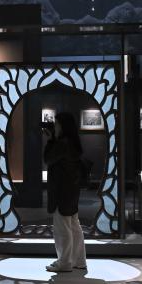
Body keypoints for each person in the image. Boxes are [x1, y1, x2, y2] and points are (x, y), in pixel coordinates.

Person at [43, 111, 87, 273]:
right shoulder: (73, 142)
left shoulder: (62, 144)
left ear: (63, 126)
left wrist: (50, 141)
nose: (55, 127)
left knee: (62, 228)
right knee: (74, 226)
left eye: (57, 124)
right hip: (71, 190)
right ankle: (79, 260)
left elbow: (48, 159)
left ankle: (65, 262)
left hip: (61, 191)